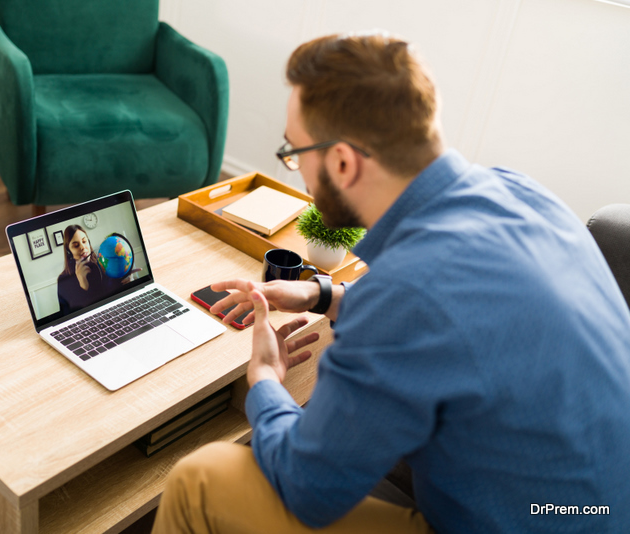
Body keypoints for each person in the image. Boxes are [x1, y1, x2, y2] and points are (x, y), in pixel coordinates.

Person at [151, 30, 630, 533]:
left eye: (295, 152)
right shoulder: (520, 191)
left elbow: (306, 488)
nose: (297, 170)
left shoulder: (409, 292)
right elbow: (457, 318)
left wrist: (266, 383)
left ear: (340, 161)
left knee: (203, 478)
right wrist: (324, 293)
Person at [57, 224, 124, 315]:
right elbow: (67, 315)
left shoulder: (102, 264)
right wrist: (83, 285)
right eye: (76, 245)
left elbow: (113, 295)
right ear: (69, 251)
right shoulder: (63, 280)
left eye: (84, 241)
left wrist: (126, 284)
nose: (83, 247)